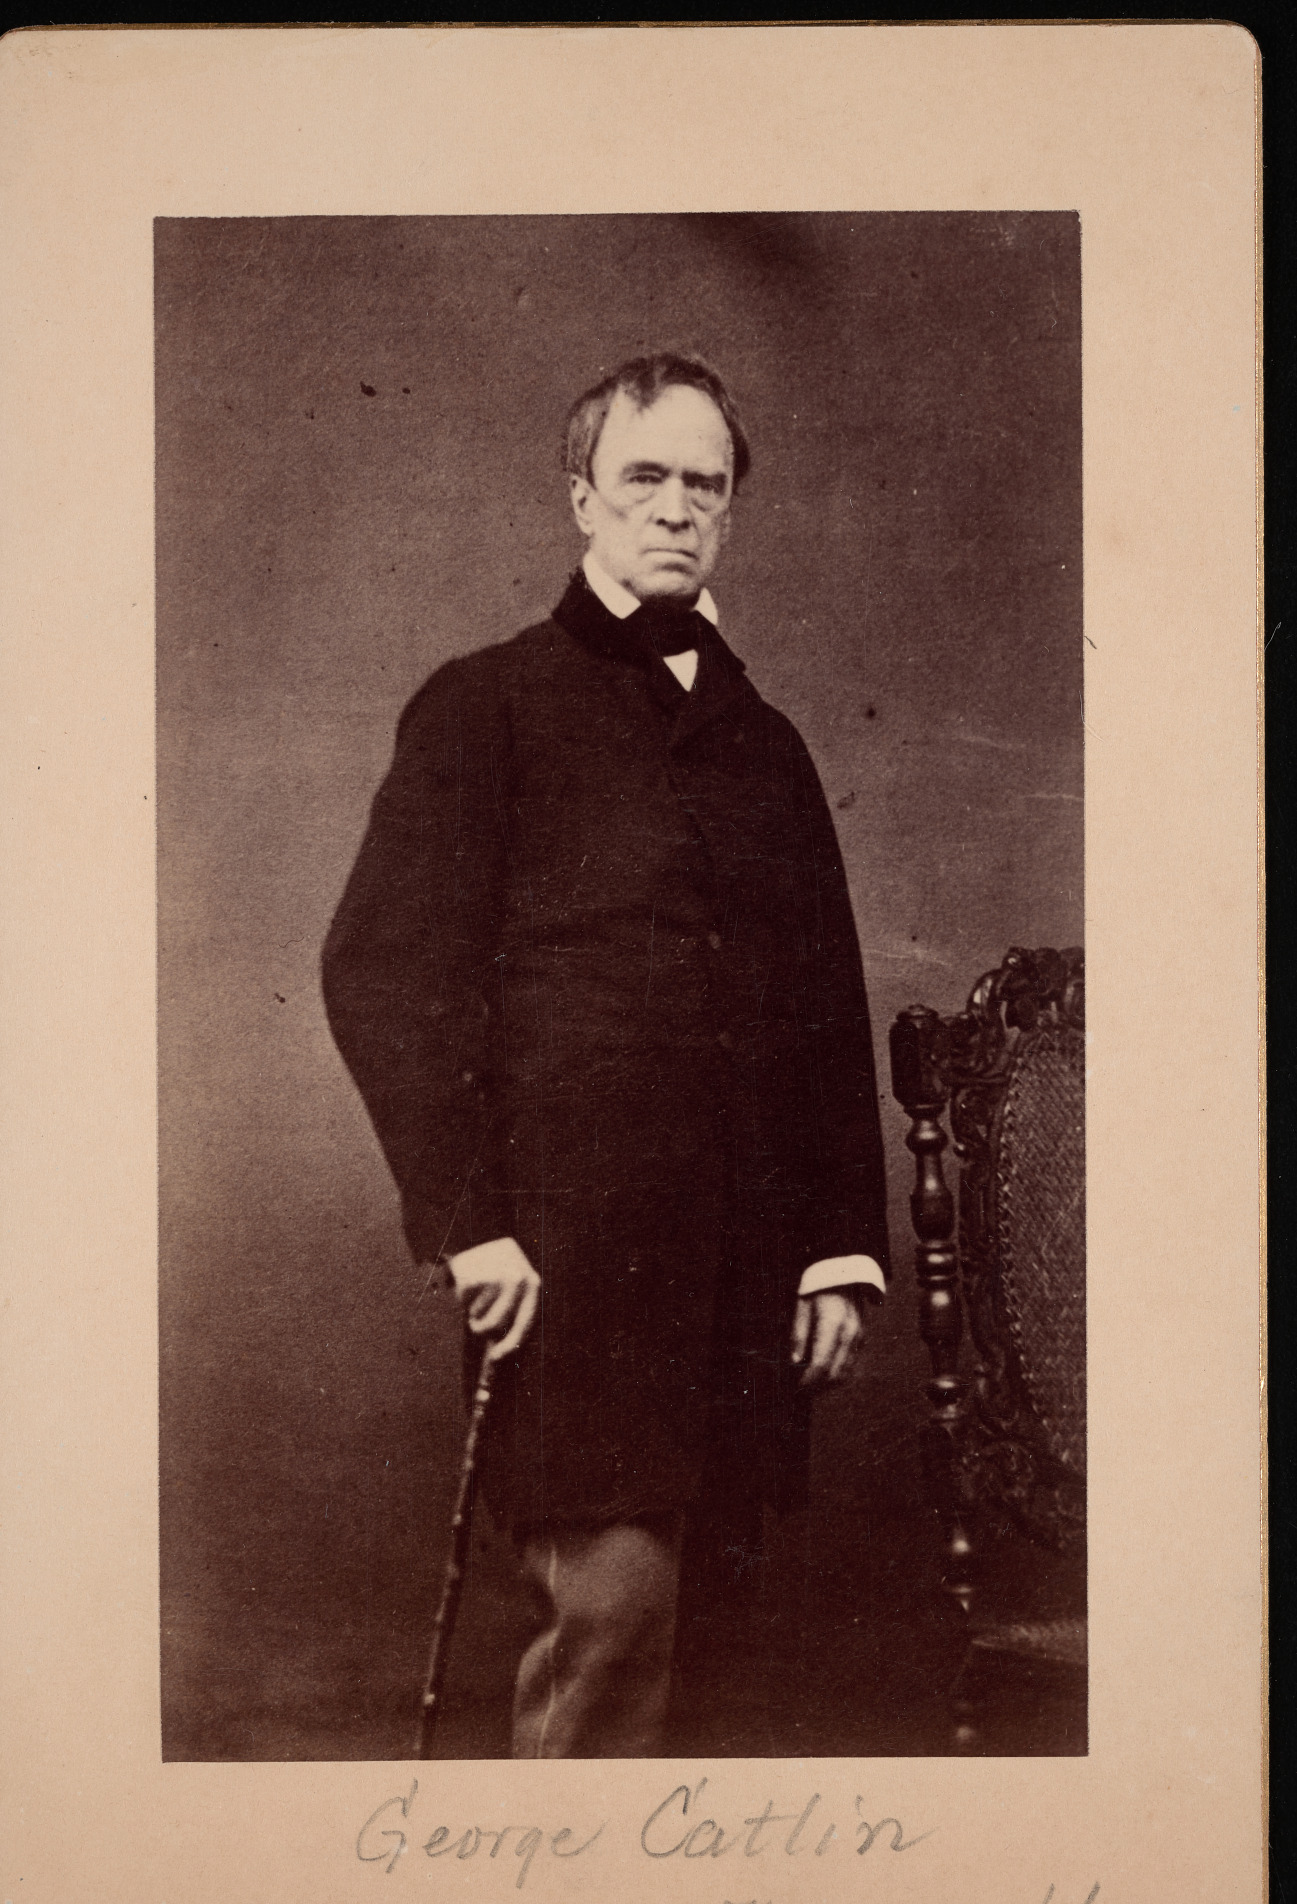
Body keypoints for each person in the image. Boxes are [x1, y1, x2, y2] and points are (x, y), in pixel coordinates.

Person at [322, 352, 889, 1758]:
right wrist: (469, 1225)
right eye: (644, 477)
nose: (676, 508)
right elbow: (387, 976)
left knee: (715, 1662)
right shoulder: (487, 705)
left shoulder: (766, 746)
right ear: (582, 499)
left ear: (730, 512)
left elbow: (822, 1004)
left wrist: (835, 1249)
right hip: (571, 1270)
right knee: (613, 1636)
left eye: (706, 483)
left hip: (748, 1281)